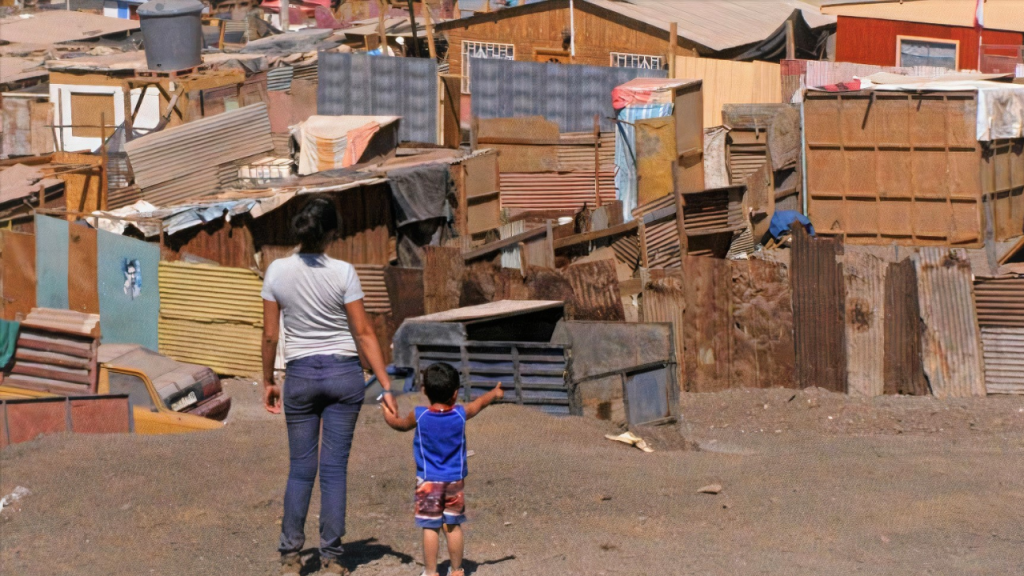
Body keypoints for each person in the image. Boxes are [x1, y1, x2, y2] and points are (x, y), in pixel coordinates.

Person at [261, 195, 399, 576]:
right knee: (334, 469)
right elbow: (364, 332)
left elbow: (271, 336)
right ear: (332, 234)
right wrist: (386, 385)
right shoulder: (343, 272)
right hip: (344, 377)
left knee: (301, 469)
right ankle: (333, 558)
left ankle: (291, 556)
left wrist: (268, 380)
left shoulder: (276, 271)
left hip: (301, 377)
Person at [381, 363, 504, 576]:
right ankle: (456, 570)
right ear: (455, 394)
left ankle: (431, 572)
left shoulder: (419, 415)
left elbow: (399, 424)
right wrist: (494, 393)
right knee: (453, 526)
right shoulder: (460, 414)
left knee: (431, 527)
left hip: (428, 481)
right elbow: (480, 403)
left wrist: (386, 413)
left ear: (425, 391)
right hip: (454, 481)